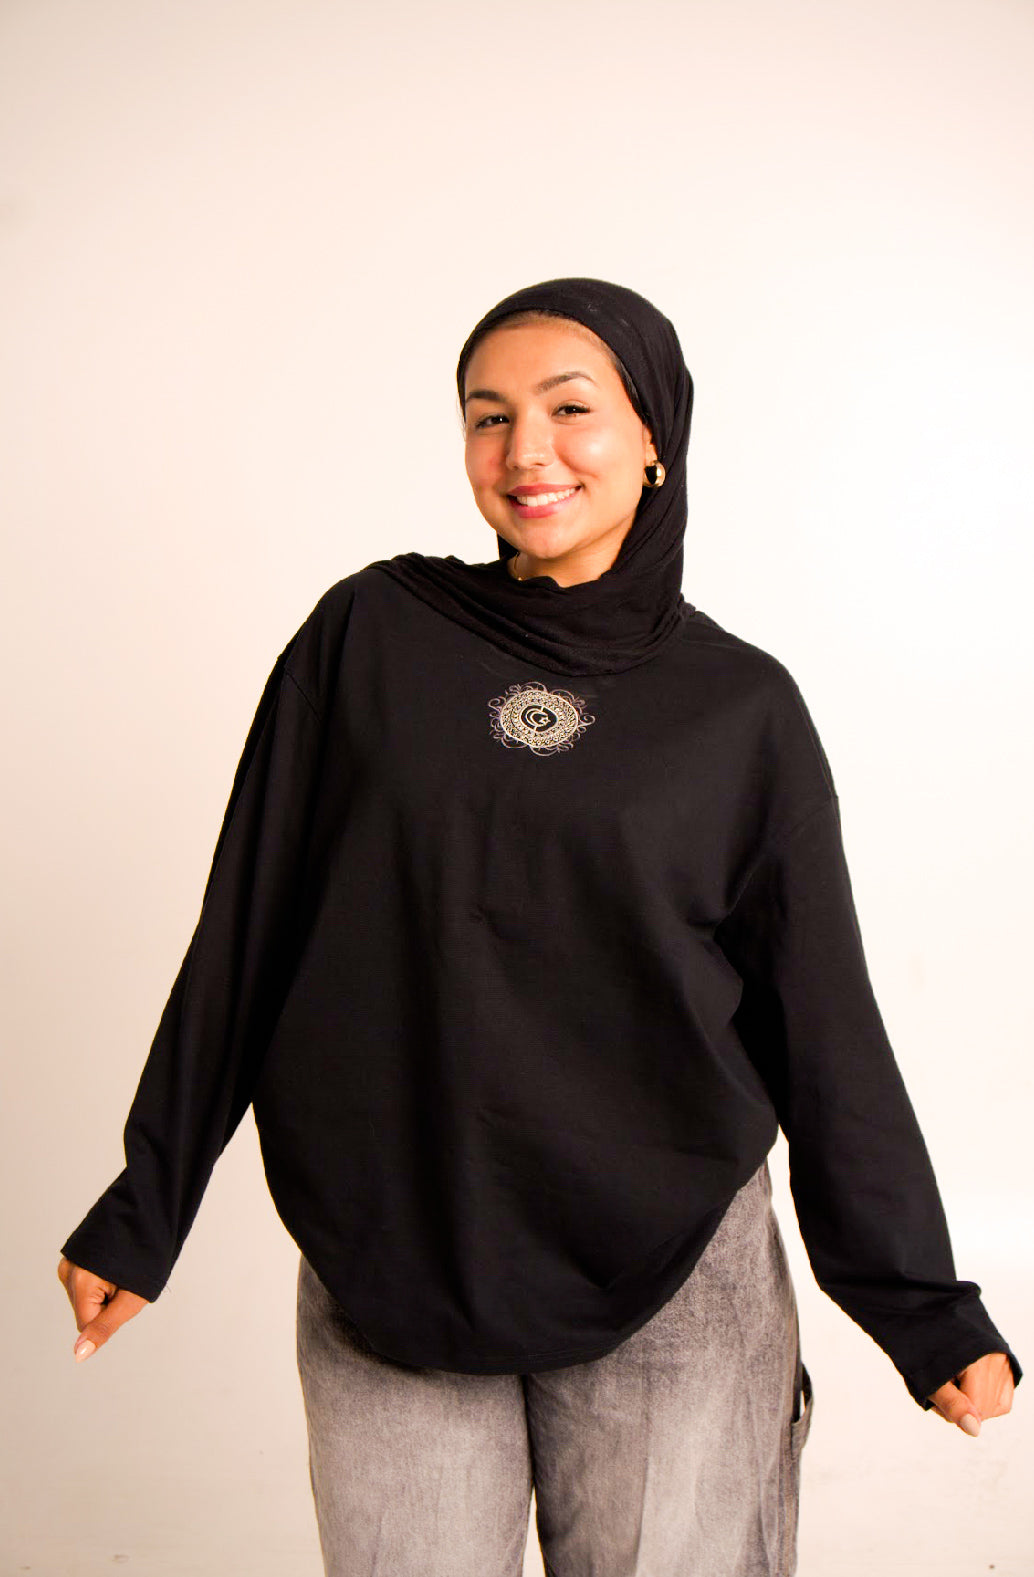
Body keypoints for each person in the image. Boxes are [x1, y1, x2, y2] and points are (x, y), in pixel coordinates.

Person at [58, 277, 1019, 1576]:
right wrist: (147, 1204)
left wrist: (920, 1304)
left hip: (673, 1264)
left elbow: (822, 1022)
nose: (525, 451)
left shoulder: (738, 709)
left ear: (653, 435)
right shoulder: (369, 638)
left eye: (570, 409)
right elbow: (249, 927)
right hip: (394, 1244)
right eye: (487, 415)